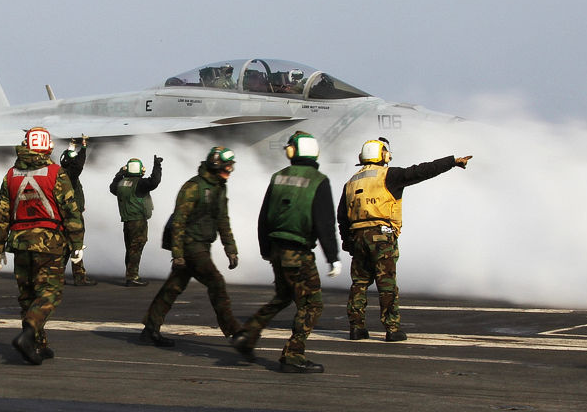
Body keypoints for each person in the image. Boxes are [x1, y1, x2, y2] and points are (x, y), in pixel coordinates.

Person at [337, 137, 472, 342]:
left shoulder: (351, 181)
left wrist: (347, 241)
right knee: (387, 284)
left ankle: (356, 328)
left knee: (359, 283)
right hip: (381, 236)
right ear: (383, 155)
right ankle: (392, 329)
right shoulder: (389, 175)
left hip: (357, 237)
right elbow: (423, 170)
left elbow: (341, 216)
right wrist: (452, 161)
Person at [231, 132, 341, 373]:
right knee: (312, 304)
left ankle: (246, 336)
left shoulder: (278, 177)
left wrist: (265, 249)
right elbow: (324, 223)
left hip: (277, 250)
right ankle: (293, 354)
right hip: (298, 252)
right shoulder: (318, 180)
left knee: (282, 297)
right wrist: (333, 257)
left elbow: (263, 217)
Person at [0, 127, 84, 365]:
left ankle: (38, 345)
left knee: (27, 296)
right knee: (49, 292)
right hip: (50, 243)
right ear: (48, 146)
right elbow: (71, 211)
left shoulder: (10, 175)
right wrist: (77, 245)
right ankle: (29, 333)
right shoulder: (57, 173)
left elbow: (1, 214)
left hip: (19, 242)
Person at [140, 146, 241, 347]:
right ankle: (236, 334)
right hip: (190, 245)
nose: (230, 170)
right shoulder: (193, 187)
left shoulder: (219, 187)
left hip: (202, 243)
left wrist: (230, 249)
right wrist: (178, 254)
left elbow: (222, 219)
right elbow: (179, 221)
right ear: (215, 164)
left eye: (231, 166)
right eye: (227, 166)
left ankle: (150, 330)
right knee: (216, 282)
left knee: (173, 287)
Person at [109, 155, 163, 286]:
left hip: (127, 221)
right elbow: (154, 182)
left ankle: (130, 274)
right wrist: (157, 165)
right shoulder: (140, 184)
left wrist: (120, 173)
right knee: (136, 248)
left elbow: (112, 187)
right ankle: (132, 277)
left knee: (130, 248)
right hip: (138, 221)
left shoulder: (121, 184)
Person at [59, 136, 96, 286]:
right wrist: (84, 147)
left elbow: (70, 158)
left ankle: (58, 276)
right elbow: (78, 164)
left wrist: (72, 145)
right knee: (76, 245)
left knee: (66, 246)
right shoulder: (71, 175)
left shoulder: (62, 173)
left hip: (65, 214)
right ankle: (80, 277)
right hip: (73, 216)